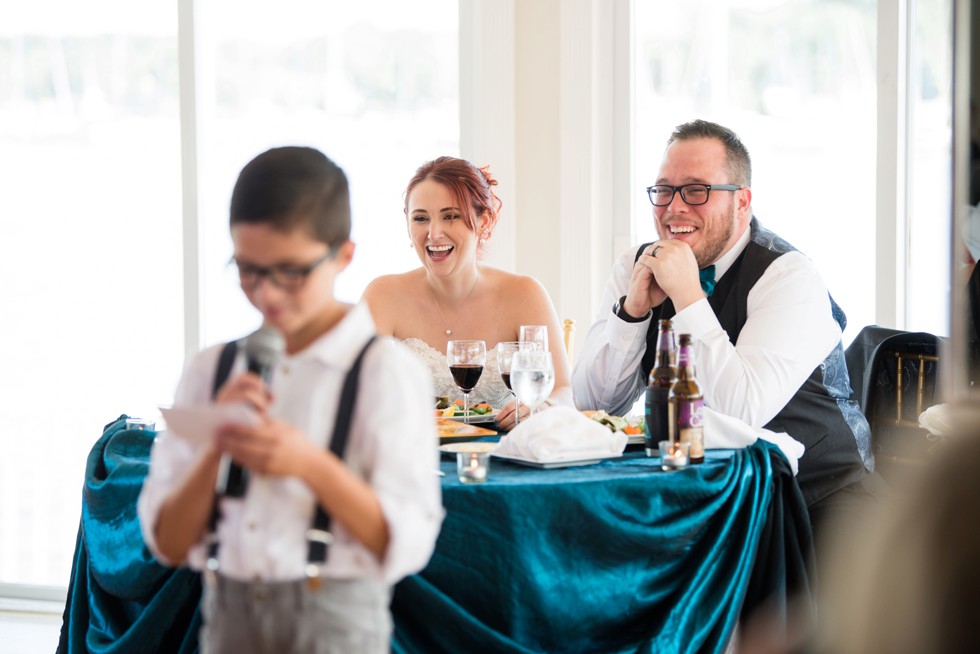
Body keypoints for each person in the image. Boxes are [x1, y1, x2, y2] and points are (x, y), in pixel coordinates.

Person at [138, 146, 443, 653]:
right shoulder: (210, 370)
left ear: (343, 255)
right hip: (227, 617)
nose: (268, 293)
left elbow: (407, 543)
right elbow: (167, 542)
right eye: (248, 269)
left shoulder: (385, 373)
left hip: (335, 622)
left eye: (291, 272)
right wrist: (217, 442)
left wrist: (309, 465)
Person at [571, 119, 874, 544]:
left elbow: (741, 411)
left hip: (820, 508)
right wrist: (633, 314)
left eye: (697, 190)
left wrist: (689, 298)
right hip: (703, 503)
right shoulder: (634, 266)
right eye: (663, 190)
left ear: (742, 202)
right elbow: (593, 404)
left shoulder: (788, 275)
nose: (674, 208)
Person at [363, 156, 572, 430]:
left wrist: (541, 407)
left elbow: (564, 393)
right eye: (421, 218)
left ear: (483, 220)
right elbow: (346, 389)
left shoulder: (524, 294)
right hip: (417, 458)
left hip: (509, 458)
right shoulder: (383, 294)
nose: (433, 233)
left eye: (450, 216)